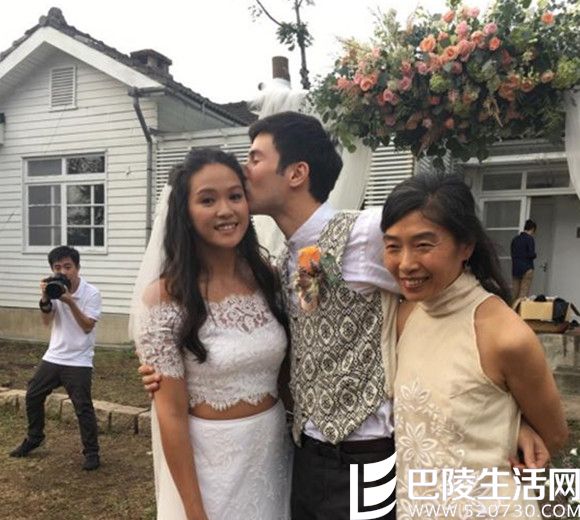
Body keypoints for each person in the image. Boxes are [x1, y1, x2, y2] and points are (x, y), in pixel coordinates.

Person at [141, 112, 550, 519]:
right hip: (302, 455)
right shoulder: (275, 265)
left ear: (297, 173)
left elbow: (453, 299)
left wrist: (511, 418)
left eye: (255, 158)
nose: (244, 171)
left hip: (366, 455)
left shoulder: (367, 233)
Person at [381, 173, 568, 519]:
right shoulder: (405, 316)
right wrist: (514, 425)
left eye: (423, 245)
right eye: (393, 246)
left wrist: (515, 430)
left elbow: (555, 435)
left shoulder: (504, 335)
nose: (405, 263)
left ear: (466, 246)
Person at [130, 148, 292, 520]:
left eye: (235, 196)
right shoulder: (165, 298)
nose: (225, 210)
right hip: (211, 466)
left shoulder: (266, 277)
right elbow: (171, 414)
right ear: (185, 213)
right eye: (207, 200)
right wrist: (194, 511)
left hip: (272, 453)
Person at [9, 245, 102, 471]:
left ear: (77, 268)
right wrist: (45, 296)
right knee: (33, 394)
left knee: (82, 407)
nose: (63, 272)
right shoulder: (54, 289)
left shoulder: (91, 293)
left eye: (68, 267)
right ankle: (35, 437)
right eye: (58, 267)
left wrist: (70, 301)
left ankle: (92, 453)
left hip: (78, 359)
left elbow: (87, 326)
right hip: (54, 355)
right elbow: (46, 322)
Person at [510, 219, 537, 301]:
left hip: (516, 268)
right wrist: (535, 255)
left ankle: (512, 307)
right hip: (527, 268)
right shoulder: (530, 239)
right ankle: (521, 308)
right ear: (532, 229)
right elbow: (531, 254)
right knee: (523, 293)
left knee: (515, 292)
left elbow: (512, 253)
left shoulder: (515, 239)